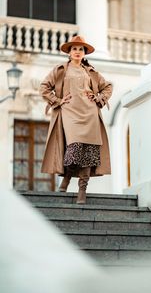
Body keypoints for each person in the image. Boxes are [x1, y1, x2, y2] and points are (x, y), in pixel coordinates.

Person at [39, 35, 113, 204]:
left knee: (88, 152)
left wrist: (98, 97)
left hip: (90, 113)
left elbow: (108, 87)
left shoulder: (91, 71)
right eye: (74, 49)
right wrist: (58, 101)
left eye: (81, 49)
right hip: (69, 112)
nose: (77, 52)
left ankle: (82, 190)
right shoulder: (60, 70)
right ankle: (66, 178)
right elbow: (44, 88)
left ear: (84, 53)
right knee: (74, 149)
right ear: (69, 52)